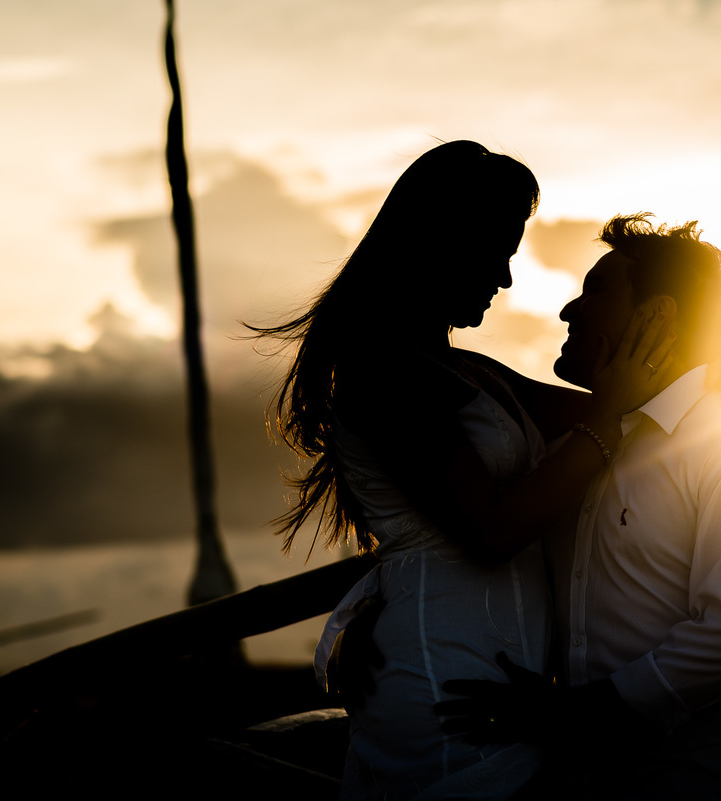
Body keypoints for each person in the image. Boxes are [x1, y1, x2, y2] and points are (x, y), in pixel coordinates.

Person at [253, 142, 677, 801]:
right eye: (500, 249)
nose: (506, 277)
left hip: (500, 683)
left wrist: (707, 377)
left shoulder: (467, 372)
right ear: (444, 241)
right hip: (445, 686)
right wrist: (612, 417)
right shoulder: (380, 377)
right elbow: (492, 528)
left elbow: (620, 407)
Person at [440, 214, 721, 799]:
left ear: (657, 316)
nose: (570, 311)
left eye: (595, 291)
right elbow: (466, 532)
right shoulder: (571, 448)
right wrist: (366, 615)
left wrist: (576, 714)